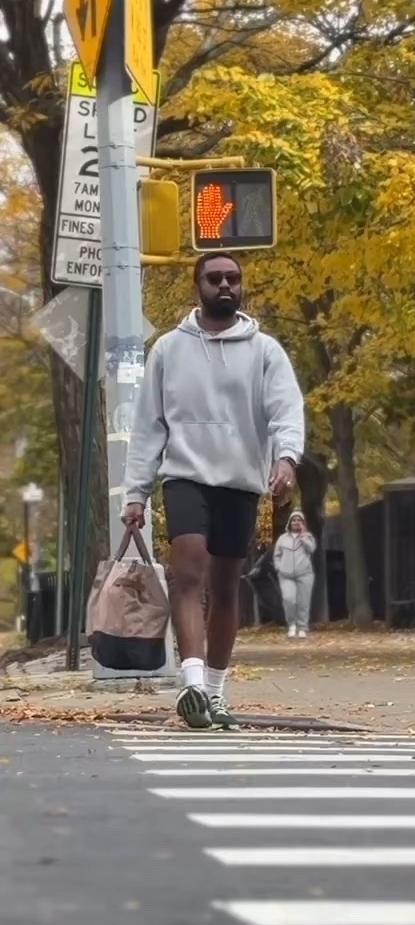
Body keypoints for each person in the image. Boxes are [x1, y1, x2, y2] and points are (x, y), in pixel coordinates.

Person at [120, 251, 305, 729]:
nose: (225, 285)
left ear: (241, 287)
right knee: (187, 575)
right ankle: (193, 683)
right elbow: (149, 427)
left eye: (233, 278)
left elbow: (286, 411)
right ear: (197, 286)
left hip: (240, 482)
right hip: (184, 476)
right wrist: (136, 493)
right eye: (214, 278)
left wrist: (285, 458)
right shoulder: (168, 349)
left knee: (225, 590)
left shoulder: (265, 350)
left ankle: (216, 693)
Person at [274, 510, 317, 638]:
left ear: (303, 523)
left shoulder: (308, 536)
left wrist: (303, 535)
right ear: (290, 523)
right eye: (294, 520)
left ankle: (303, 627)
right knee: (289, 600)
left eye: (299, 520)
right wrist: (278, 567)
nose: (296, 522)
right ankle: (292, 625)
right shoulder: (282, 538)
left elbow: (311, 549)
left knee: (304, 602)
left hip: (305, 574)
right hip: (286, 575)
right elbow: (277, 555)